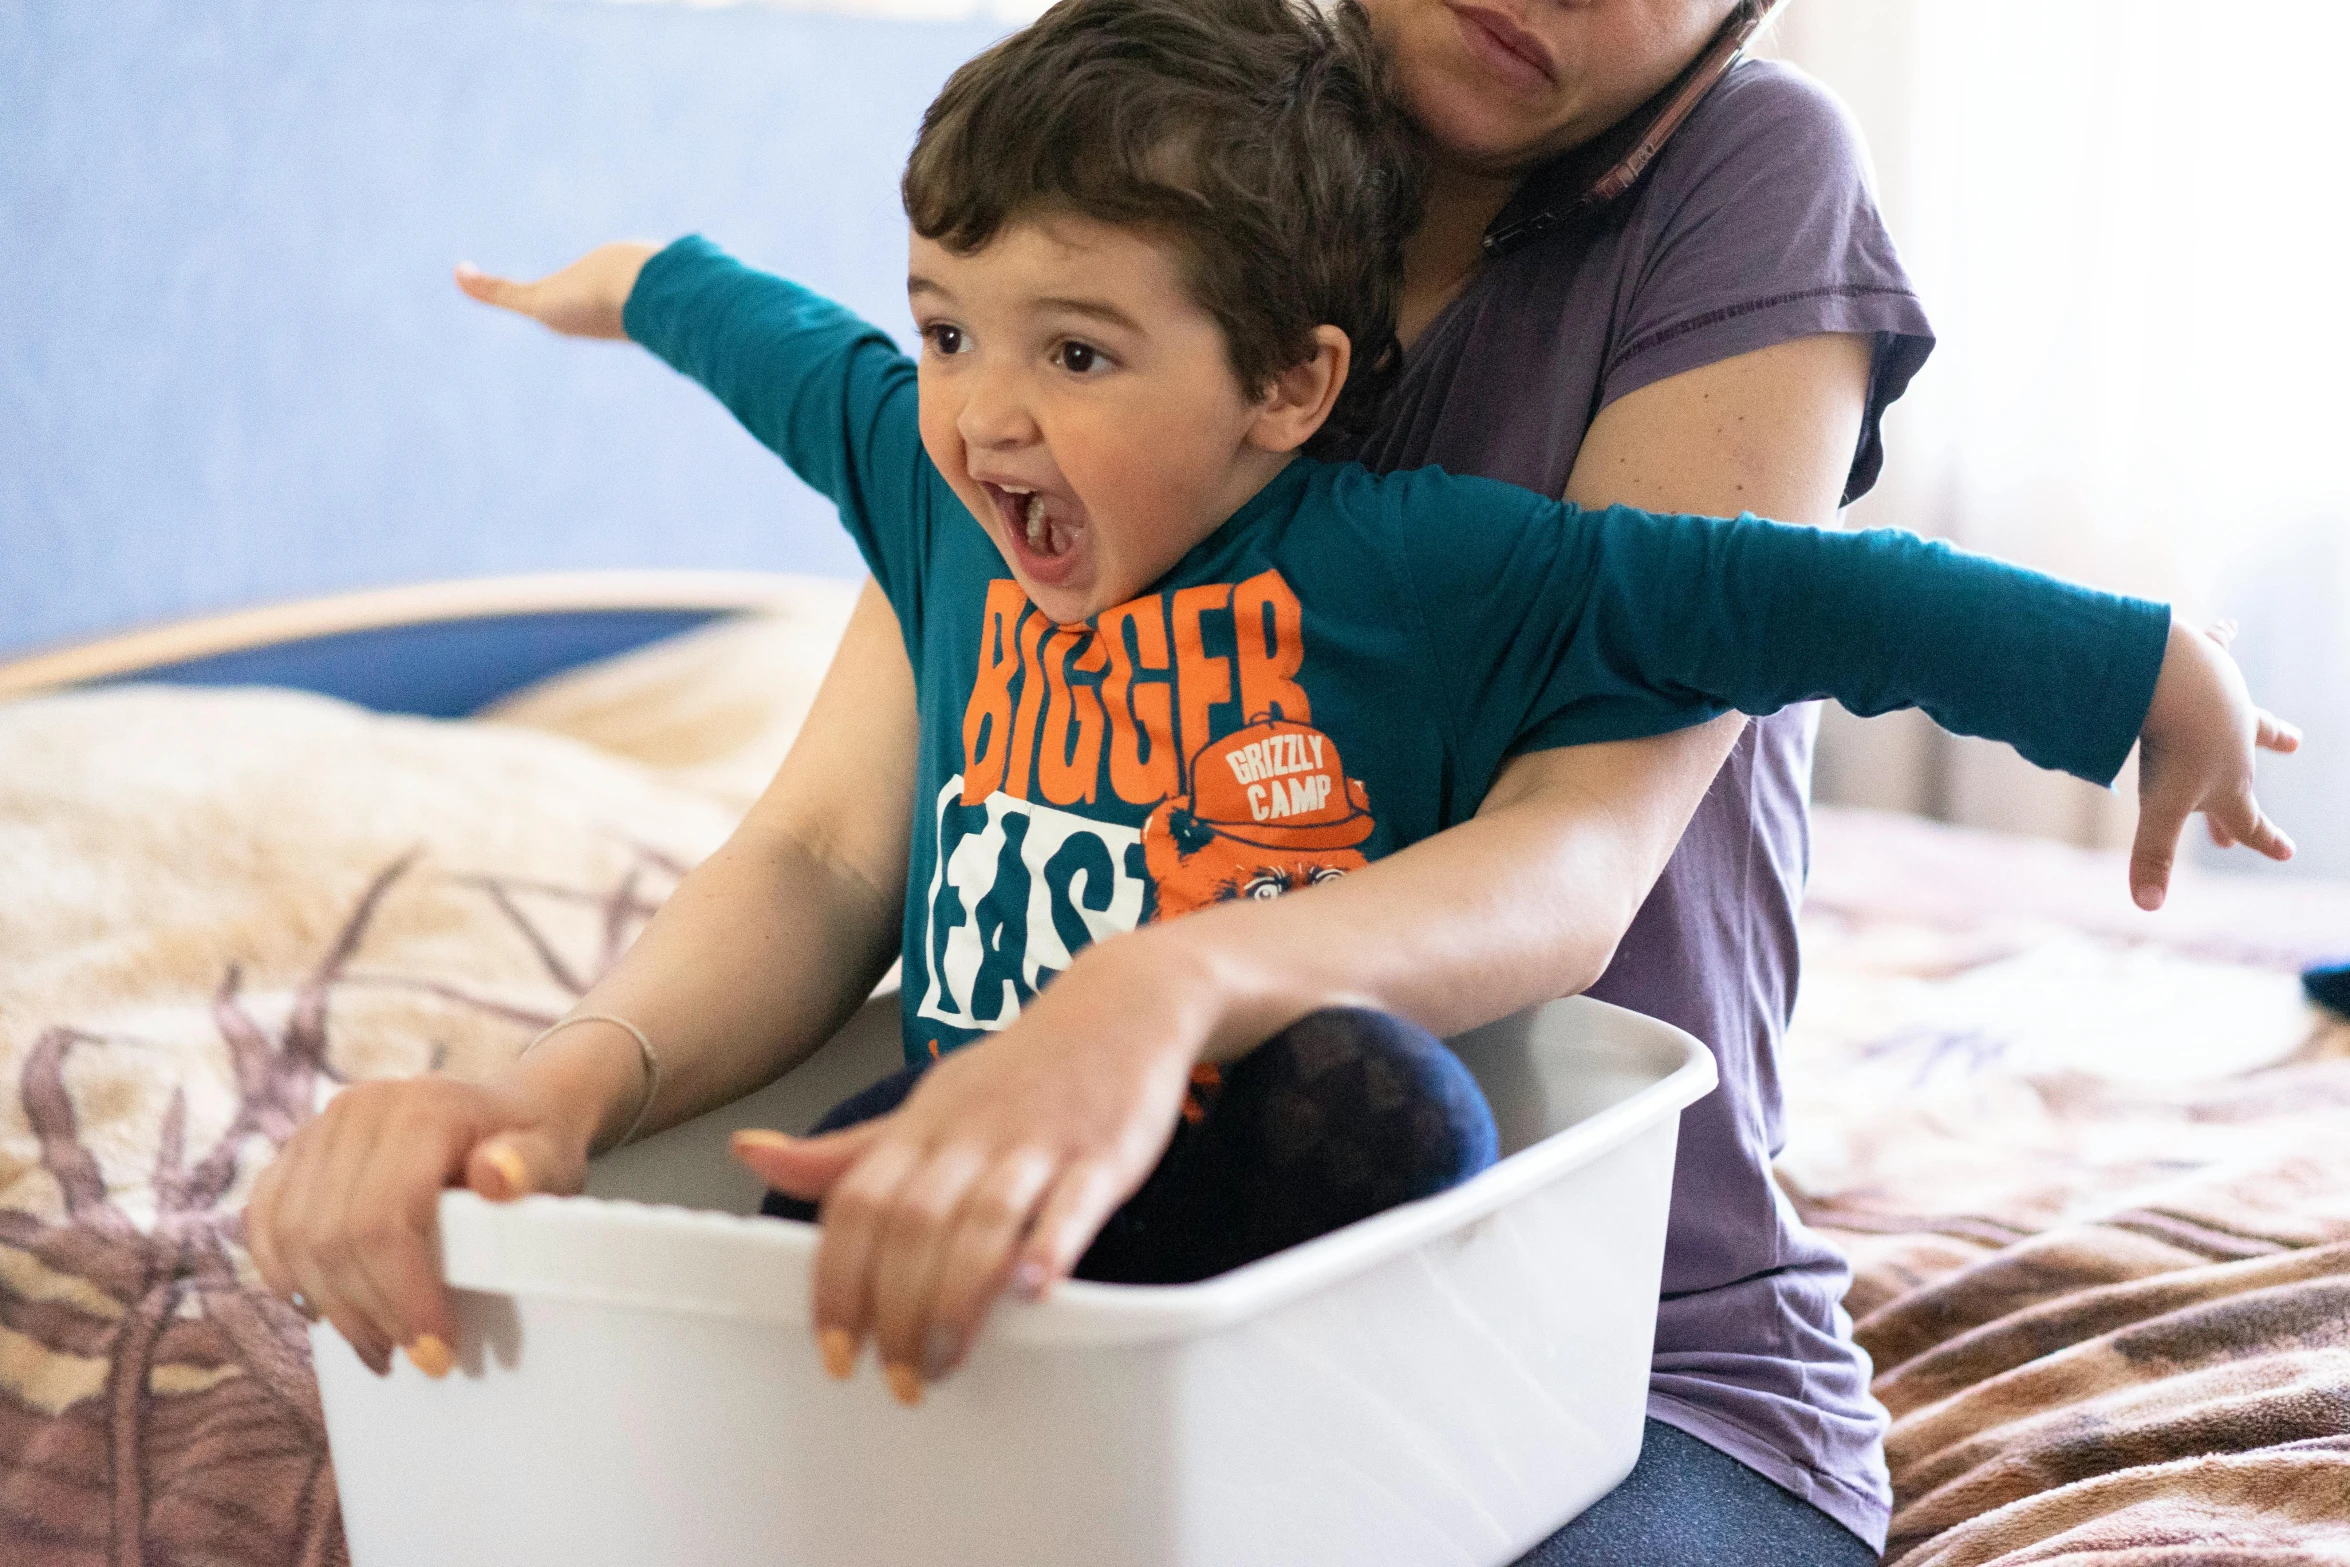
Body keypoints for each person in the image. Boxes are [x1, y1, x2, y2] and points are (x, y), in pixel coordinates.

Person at [244, 3, 2301, 1562]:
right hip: (1073, 1321)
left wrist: (2132, 672)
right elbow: (822, 837)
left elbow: (1608, 807)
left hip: (1605, 1340)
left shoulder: (1731, 186)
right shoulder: (1136, 164)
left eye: (1063, 355)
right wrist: (553, 1089)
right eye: (963, 336)